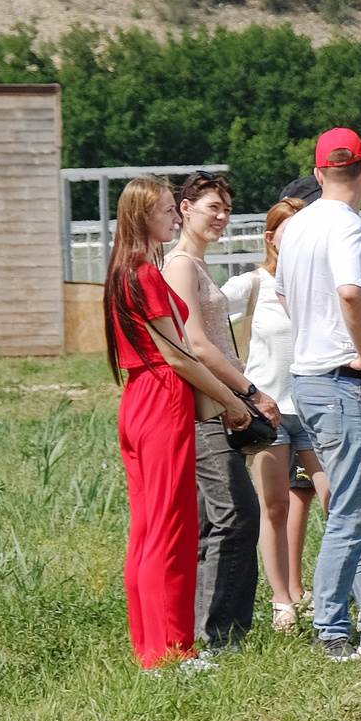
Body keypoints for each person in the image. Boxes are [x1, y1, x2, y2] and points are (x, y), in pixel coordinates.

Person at [105, 177, 252, 669]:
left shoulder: (121, 271)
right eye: (169, 209)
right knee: (173, 530)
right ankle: (173, 651)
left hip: (136, 396)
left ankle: (152, 650)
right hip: (163, 396)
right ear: (145, 215)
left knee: (148, 530)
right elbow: (180, 356)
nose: (175, 217)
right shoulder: (146, 273)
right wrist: (232, 399)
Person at [279, 128, 361, 661]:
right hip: (344, 382)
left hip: (308, 379)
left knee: (359, 507)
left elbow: (284, 296)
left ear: (319, 172)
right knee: (353, 513)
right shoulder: (346, 224)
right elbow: (351, 292)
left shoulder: (297, 226)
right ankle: (332, 629)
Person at [163, 172, 283, 650]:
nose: (222, 216)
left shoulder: (197, 265)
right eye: (213, 206)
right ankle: (221, 635)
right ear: (185, 208)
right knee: (236, 513)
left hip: (216, 405)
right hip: (206, 408)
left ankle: (205, 634)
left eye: (227, 208)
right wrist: (248, 393)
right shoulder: (181, 266)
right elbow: (196, 345)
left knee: (214, 521)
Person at [222, 196, 328, 632]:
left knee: (335, 500)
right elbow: (197, 321)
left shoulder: (319, 283)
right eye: (290, 231)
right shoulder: (253, 284)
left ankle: (331, 592)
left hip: (316, 408)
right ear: (271, 238)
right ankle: (282, 601)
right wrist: (236, 384)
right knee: (276, 505)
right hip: (270, 412)